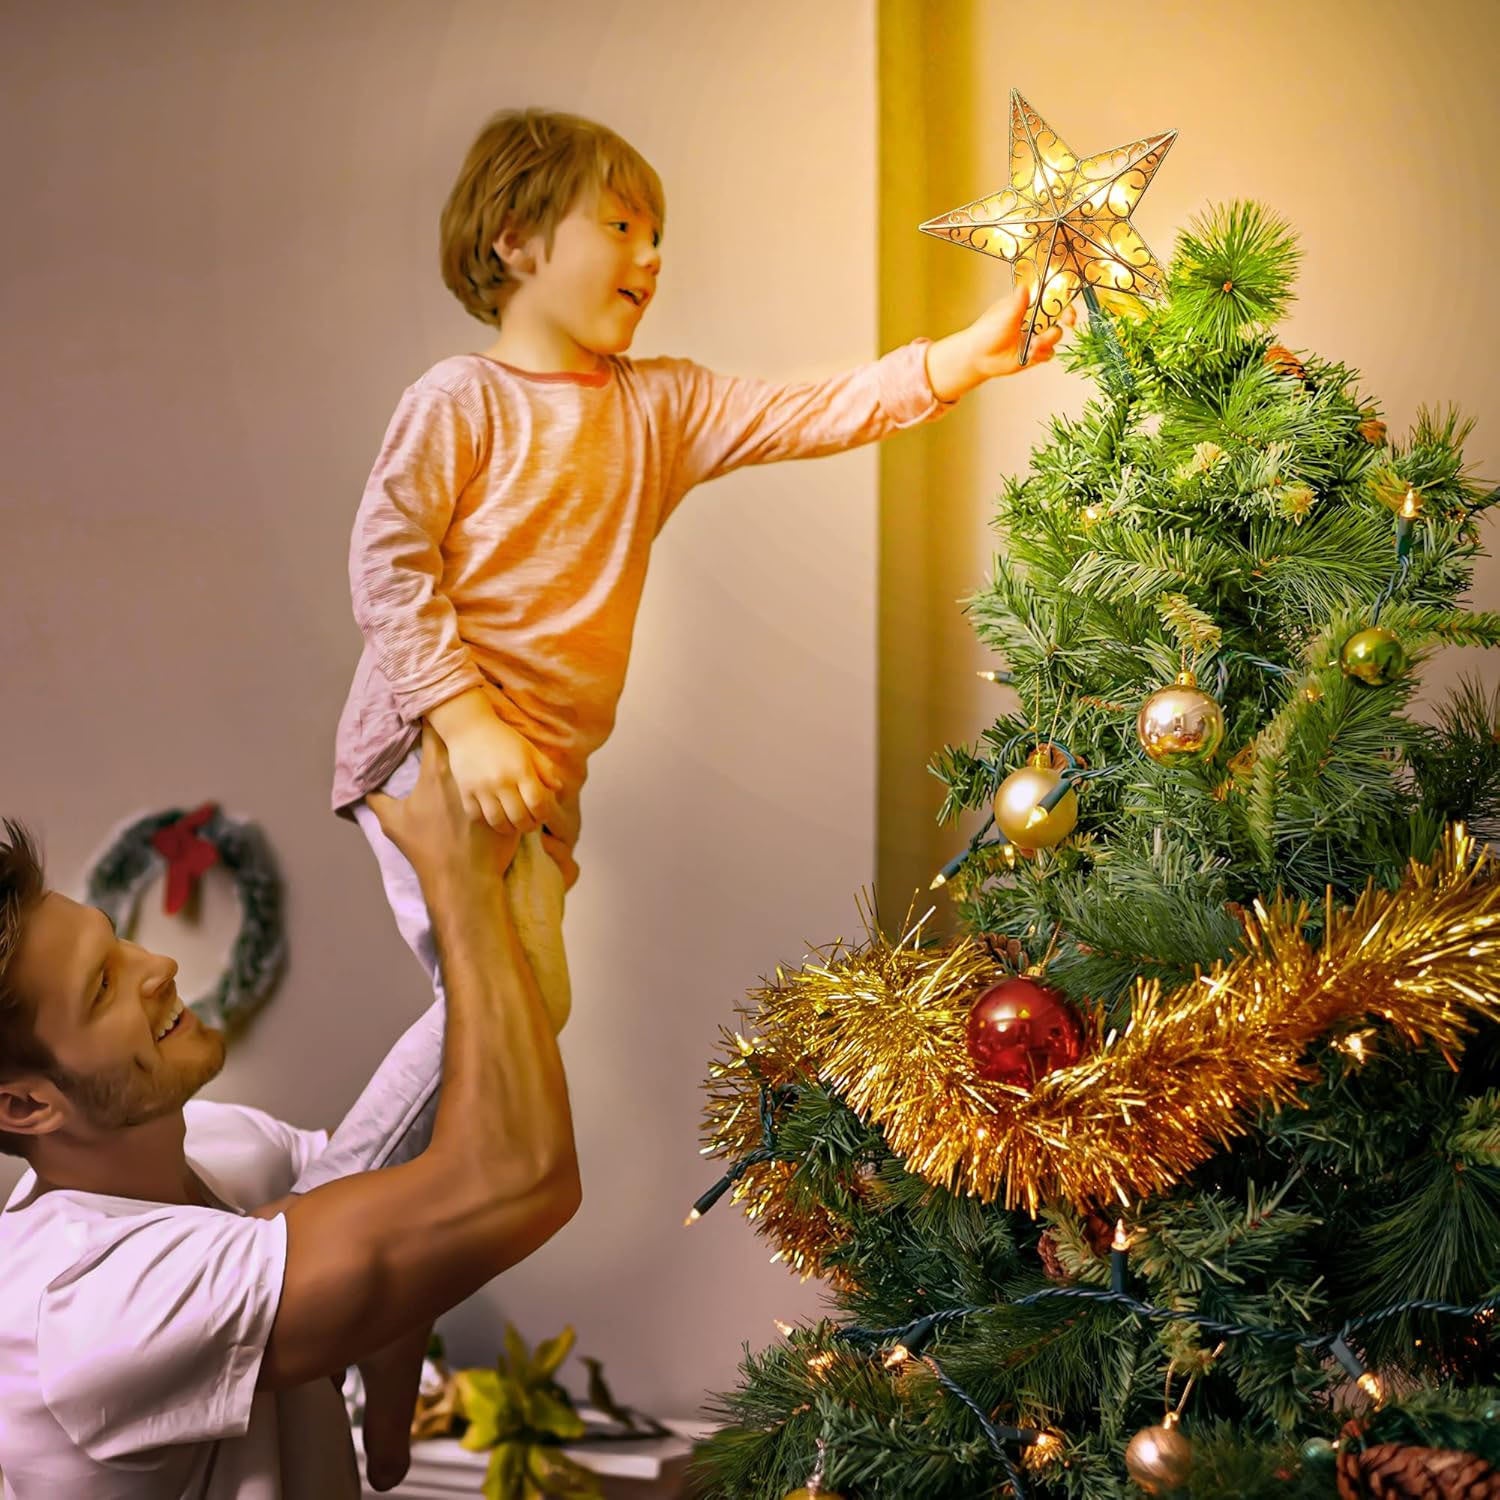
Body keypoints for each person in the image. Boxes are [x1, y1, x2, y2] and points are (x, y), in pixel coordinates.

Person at [332, 107, 1071, 1035]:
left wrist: (962, 359)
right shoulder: (461, 399)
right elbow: (387, 564)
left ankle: (377, 1183)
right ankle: (339, 1185)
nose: (650, 257)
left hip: (544, 775)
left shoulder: (658, 407)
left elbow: (812, 408)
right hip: (439, 746)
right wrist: (466, 723)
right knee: (502, 1024)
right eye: (620, 228)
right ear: (515, 242)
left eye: (656, 238)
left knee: (523, 1021)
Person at [0, 726, 579, 1498]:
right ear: (24, 1104)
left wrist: (509, 889)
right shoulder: (84, 1304)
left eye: (120, 943)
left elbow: (413, 1157)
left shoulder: (221, 1146)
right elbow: (518, 1178)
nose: (161, 966)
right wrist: (461, 888)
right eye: (102, 986)